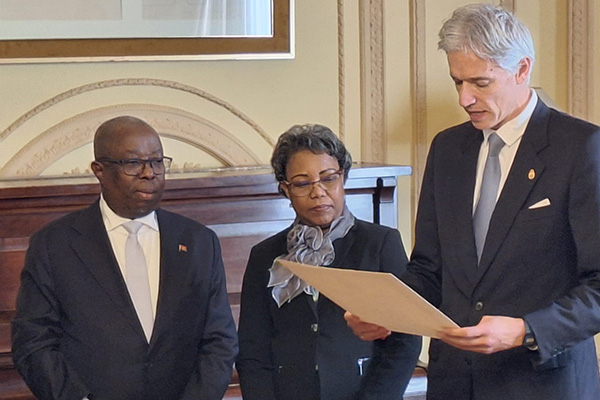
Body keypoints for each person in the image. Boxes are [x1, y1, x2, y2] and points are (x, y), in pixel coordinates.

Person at [345, 4, 600, 400]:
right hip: (453, 383)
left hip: (541, 383)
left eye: (480, 83)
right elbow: (430, 270)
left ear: (521, 70)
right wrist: (387, 315)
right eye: (457, 82)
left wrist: (525, 330)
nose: (465, 99)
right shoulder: (448, 148)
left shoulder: (581, 147)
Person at [11, 116, 238, 400]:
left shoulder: (198, 242)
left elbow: (220, 339)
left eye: (157, 162)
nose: (149, 173)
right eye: (133, 163)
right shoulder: (55, 244)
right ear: (100, 170)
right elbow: (34, 340)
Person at [236, 124, 421, 400]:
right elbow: (252, 349)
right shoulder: (264, 254)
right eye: (302, 183)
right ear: (285, 189)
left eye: (328, 178)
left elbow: (406, 339)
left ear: (342, 178)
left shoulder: (381, 243)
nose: (318, 192)